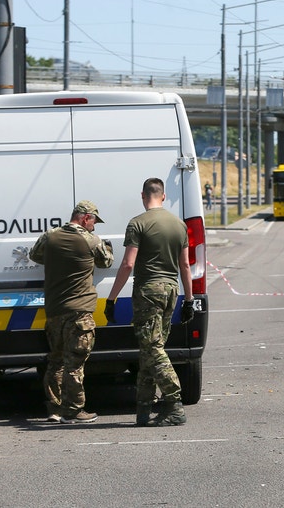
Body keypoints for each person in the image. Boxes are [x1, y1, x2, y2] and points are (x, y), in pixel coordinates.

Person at [105, 178, 194, 427]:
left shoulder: (137, 223)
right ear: (163, 196)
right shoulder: (179, 224)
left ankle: (174, 403)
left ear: (143, 196)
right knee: (149, 350)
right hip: (171, 290)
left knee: (153, 348)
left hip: (148, 292)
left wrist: (111, 298)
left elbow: (128, 264)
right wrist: (189, 300)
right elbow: (185, 265)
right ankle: (143, 410)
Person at [30, 200, 114, 424]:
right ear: (85, 218)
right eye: (94, 221)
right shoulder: (90, 240)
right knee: (74, 363)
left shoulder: (50, 236)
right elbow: (106, 262)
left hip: (55, 311)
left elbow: (35, 255)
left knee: (56, 361)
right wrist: (108, 247)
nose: (94, 226)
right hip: (79, 313)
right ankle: (74, 411)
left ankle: (54, 408)